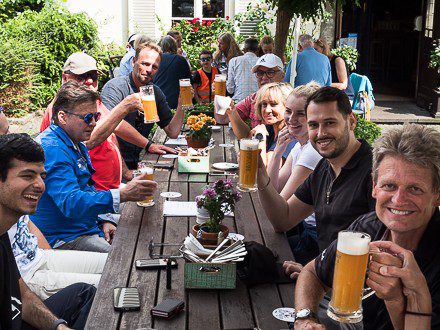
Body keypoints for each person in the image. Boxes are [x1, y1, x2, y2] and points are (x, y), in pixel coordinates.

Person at [294, 124, 440, 329]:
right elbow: (313, 273)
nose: (398, 200)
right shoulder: (367, 228)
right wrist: (305, 318)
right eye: (389, 185)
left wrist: (397, 300)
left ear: (437, 195)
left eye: (415, 189)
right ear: (374, 187)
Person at [257, 86, 375, 278]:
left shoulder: (374, 174)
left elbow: (381, 253)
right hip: (323, 274)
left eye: (329, 123)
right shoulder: (324, 167)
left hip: (350, 291)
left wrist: (316, 275)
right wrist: (261, 176)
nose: (321, 133)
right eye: (313, 125)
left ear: (351, 121)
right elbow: (282, 221)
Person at [32, 82, 157, 253]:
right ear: (62, 117)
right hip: (65, 238)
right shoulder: (53, 149)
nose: (93, 123)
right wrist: (122, 194)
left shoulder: (73, 140)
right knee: (122, 258)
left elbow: (88, 189)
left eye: (96, 117)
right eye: (87, 118)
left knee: (144, 221)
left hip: (84, 226)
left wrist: (104, 218)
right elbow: (71, 203)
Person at [0, 113, 107, 301]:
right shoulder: (9, 184)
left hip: (41, 257)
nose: (40, 184)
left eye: (7, 130)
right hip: (26, 277)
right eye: (3, 133)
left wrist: (55, 259)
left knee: (117, 264)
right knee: (113, 284)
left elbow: (28, 224)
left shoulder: (14, 188)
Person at [40, 52, 174, 190]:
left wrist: (128, 170)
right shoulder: (60, 111)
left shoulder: (92, 104)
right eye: (82, 76)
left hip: (112, 187)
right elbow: (86, 143)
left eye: (93, 76)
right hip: (93, 193)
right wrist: (125, 106)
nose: (90, 81)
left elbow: (113, 130)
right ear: (65, 77)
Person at [101, 40, 185, 169]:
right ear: (134, 61)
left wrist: (181, 105)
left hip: (138, 162)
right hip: (113, 164)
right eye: (145, 64)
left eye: (154, 67)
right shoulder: (115, 87)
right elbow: (114, 124)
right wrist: (148, 144)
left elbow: (172, 131)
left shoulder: (154, 92)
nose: (149, 70)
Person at [263, 83, 322, 265]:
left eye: (300, 113)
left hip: (315, 239)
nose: (291, 119)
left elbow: (280, 206)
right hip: (302, 229)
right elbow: (274, 187)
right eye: (289, 111)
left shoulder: (313, 151)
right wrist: (279, 150)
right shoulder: (300, 144)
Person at [8, 216, 107, 300]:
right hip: (27, 276)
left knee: (112, 263)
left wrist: (51, 256)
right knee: (110, 285)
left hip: (41, 256)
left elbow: (27, 222)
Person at [226, 53, 285, 135]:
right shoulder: (253, 98)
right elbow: (224, 119)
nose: (264, 77)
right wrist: (230, 110)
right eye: (260, 73)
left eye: (270, 72)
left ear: (282, 75)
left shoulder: (289, 99)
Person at [250, 82, 294, 166]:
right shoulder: (270, 128)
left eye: (273, 104)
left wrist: (260, 138)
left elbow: (265, 169)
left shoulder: (290, 134)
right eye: (264, 104)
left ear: (287, 106)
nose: (267, 110)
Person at [153, 35, 191, 109]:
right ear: (174, 46)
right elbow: (188, 81)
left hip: (158, 99)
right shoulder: (180, 60)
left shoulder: (155, 60)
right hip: (175, 101)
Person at [226, 37, 259, 103]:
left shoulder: (234, 61)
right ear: (257, 50)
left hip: (239, 102)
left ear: (244, 50)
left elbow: (230, 89)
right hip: (257, 102)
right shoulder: (261, 62)